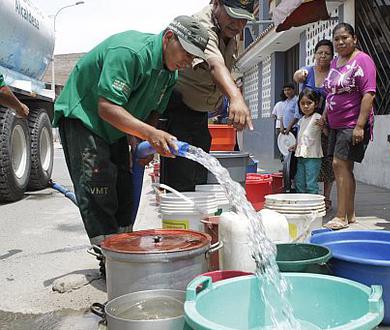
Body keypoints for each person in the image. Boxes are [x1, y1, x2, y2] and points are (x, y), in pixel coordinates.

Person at [52, 16, 210, 274]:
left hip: (116, 127)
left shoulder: (170, 75)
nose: (188, 62)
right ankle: (111, 264)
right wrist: (150, 134)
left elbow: (154, 112)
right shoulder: (129, 53)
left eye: (193, 58)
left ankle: (124, 251)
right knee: (98, 186)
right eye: (186, 53)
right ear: (169, 37)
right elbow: (106, 107)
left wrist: (142, 141)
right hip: (85, 117)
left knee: (124, 187)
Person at [160, 0, 254, 192]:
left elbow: (226, 70)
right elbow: (215, 65)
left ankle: (194, 218)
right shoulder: (201, 27)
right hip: (177, 110)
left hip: (199, 115)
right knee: (181, 178)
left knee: (200, 176)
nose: (238, 25)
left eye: (243, 20)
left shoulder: (228, 31)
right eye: (233, 16)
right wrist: (236, 98)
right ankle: (179, 219)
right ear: (216, 3)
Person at [321, 23, 376, 230]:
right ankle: (350, 214)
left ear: (354, 39)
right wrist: (326, 117)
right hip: (335, 123)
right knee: (344, 168)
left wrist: (360, 126)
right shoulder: (336, 62)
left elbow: (369, 93)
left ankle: (341, 216)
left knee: (339, 164)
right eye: (337, 39)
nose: (340, 42)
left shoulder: (363, 60)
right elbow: (331, 92)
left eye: (345, 38)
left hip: (352, 123)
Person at [294, 39, 335, 210]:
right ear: (315, 54)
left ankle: (325, 198)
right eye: (320, 52)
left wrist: (325, 120)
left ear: (332, 56)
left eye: (327, 53)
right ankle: (309, 198)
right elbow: (297, 76)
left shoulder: (334, 73)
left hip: (327, 122)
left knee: (326, 161)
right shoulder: (308, 71)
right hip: (308, 123)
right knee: (307, 165)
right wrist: (299, 74)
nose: (323, 56)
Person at [289, 88, 325, 194]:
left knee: (311, 184)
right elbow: (300, 136)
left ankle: (313, 206)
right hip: (300, 155)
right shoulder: (302, 119)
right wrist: (295, 146)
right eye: (302, 103)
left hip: (313, 156)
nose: (305, 106)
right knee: (299, 182)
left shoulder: (317, 117)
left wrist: (324, 127)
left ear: (316, 103)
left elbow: (326, 133)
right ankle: (302, 204)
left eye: (309, 103)